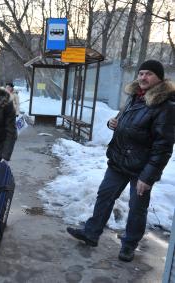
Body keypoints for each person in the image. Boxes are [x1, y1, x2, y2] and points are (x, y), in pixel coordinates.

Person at [66, 59, 175, 262]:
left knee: (137, 208)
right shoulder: (135, 96)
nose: (143, 77)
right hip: (118, 161)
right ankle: (91, 234)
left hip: (142, 169)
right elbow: (124, 121)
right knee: (104, 196)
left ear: (159, 78)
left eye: (148, 74)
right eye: (141, 73)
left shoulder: (165, 106)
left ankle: (129, 245)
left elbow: (163, 147)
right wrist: (112, 122)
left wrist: (148, 176)